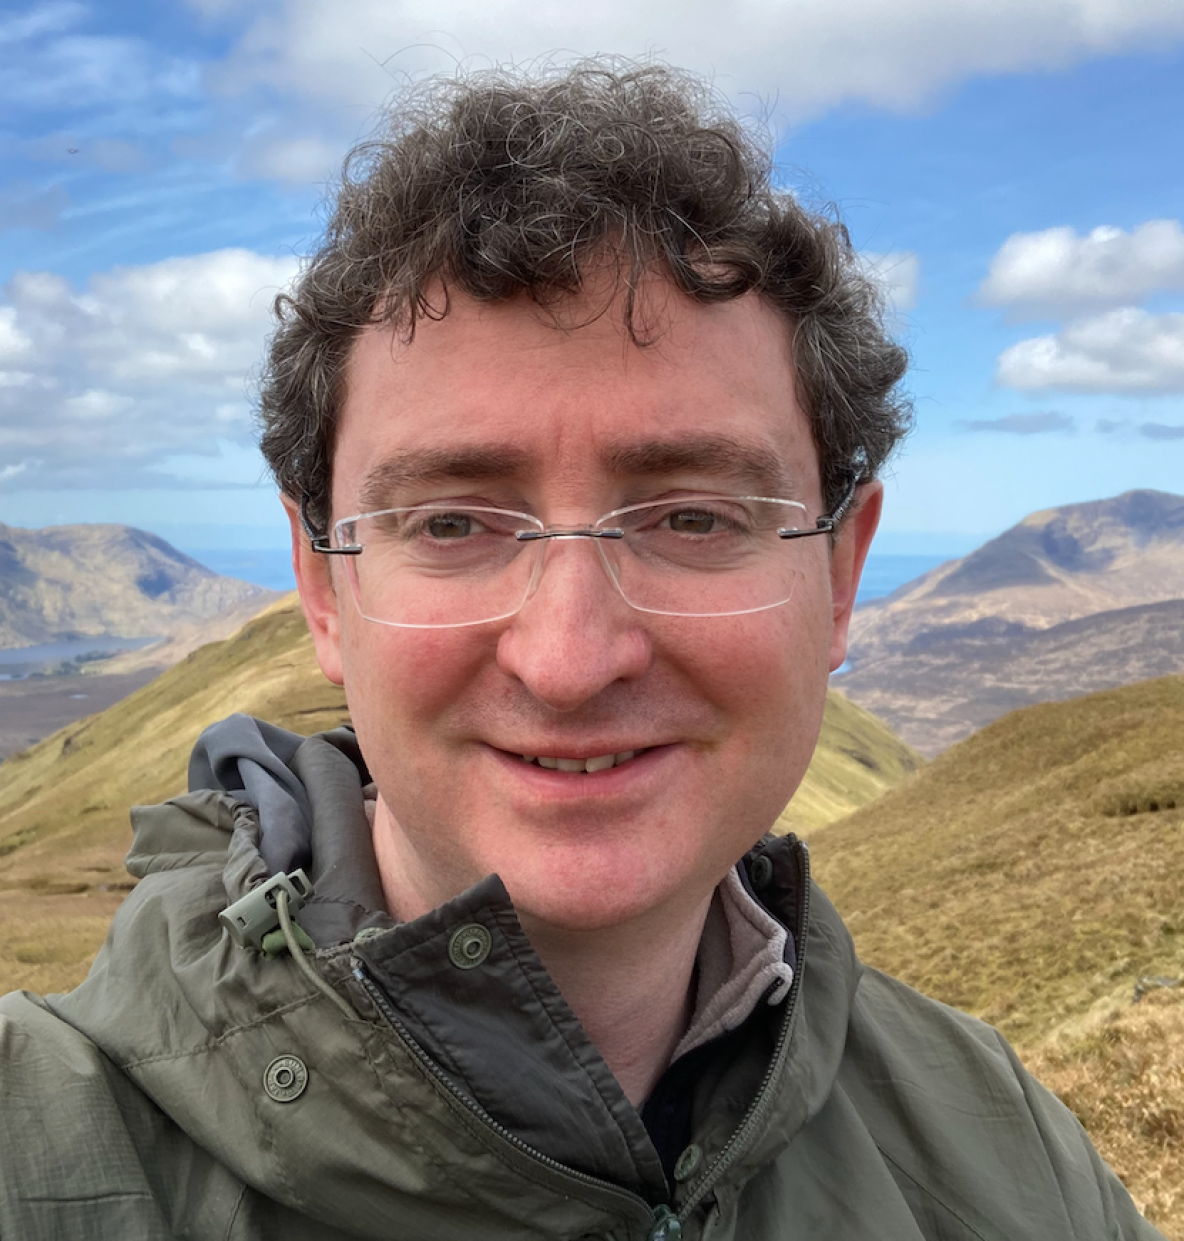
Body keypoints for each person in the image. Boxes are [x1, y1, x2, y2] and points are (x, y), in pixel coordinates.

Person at [0, 59, 1165, 1241]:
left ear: (839, 576)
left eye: (691, 517)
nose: (567, 657)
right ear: (321, 586)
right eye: (452, 522)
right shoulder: (35, 1146)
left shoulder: (1004, 1145)